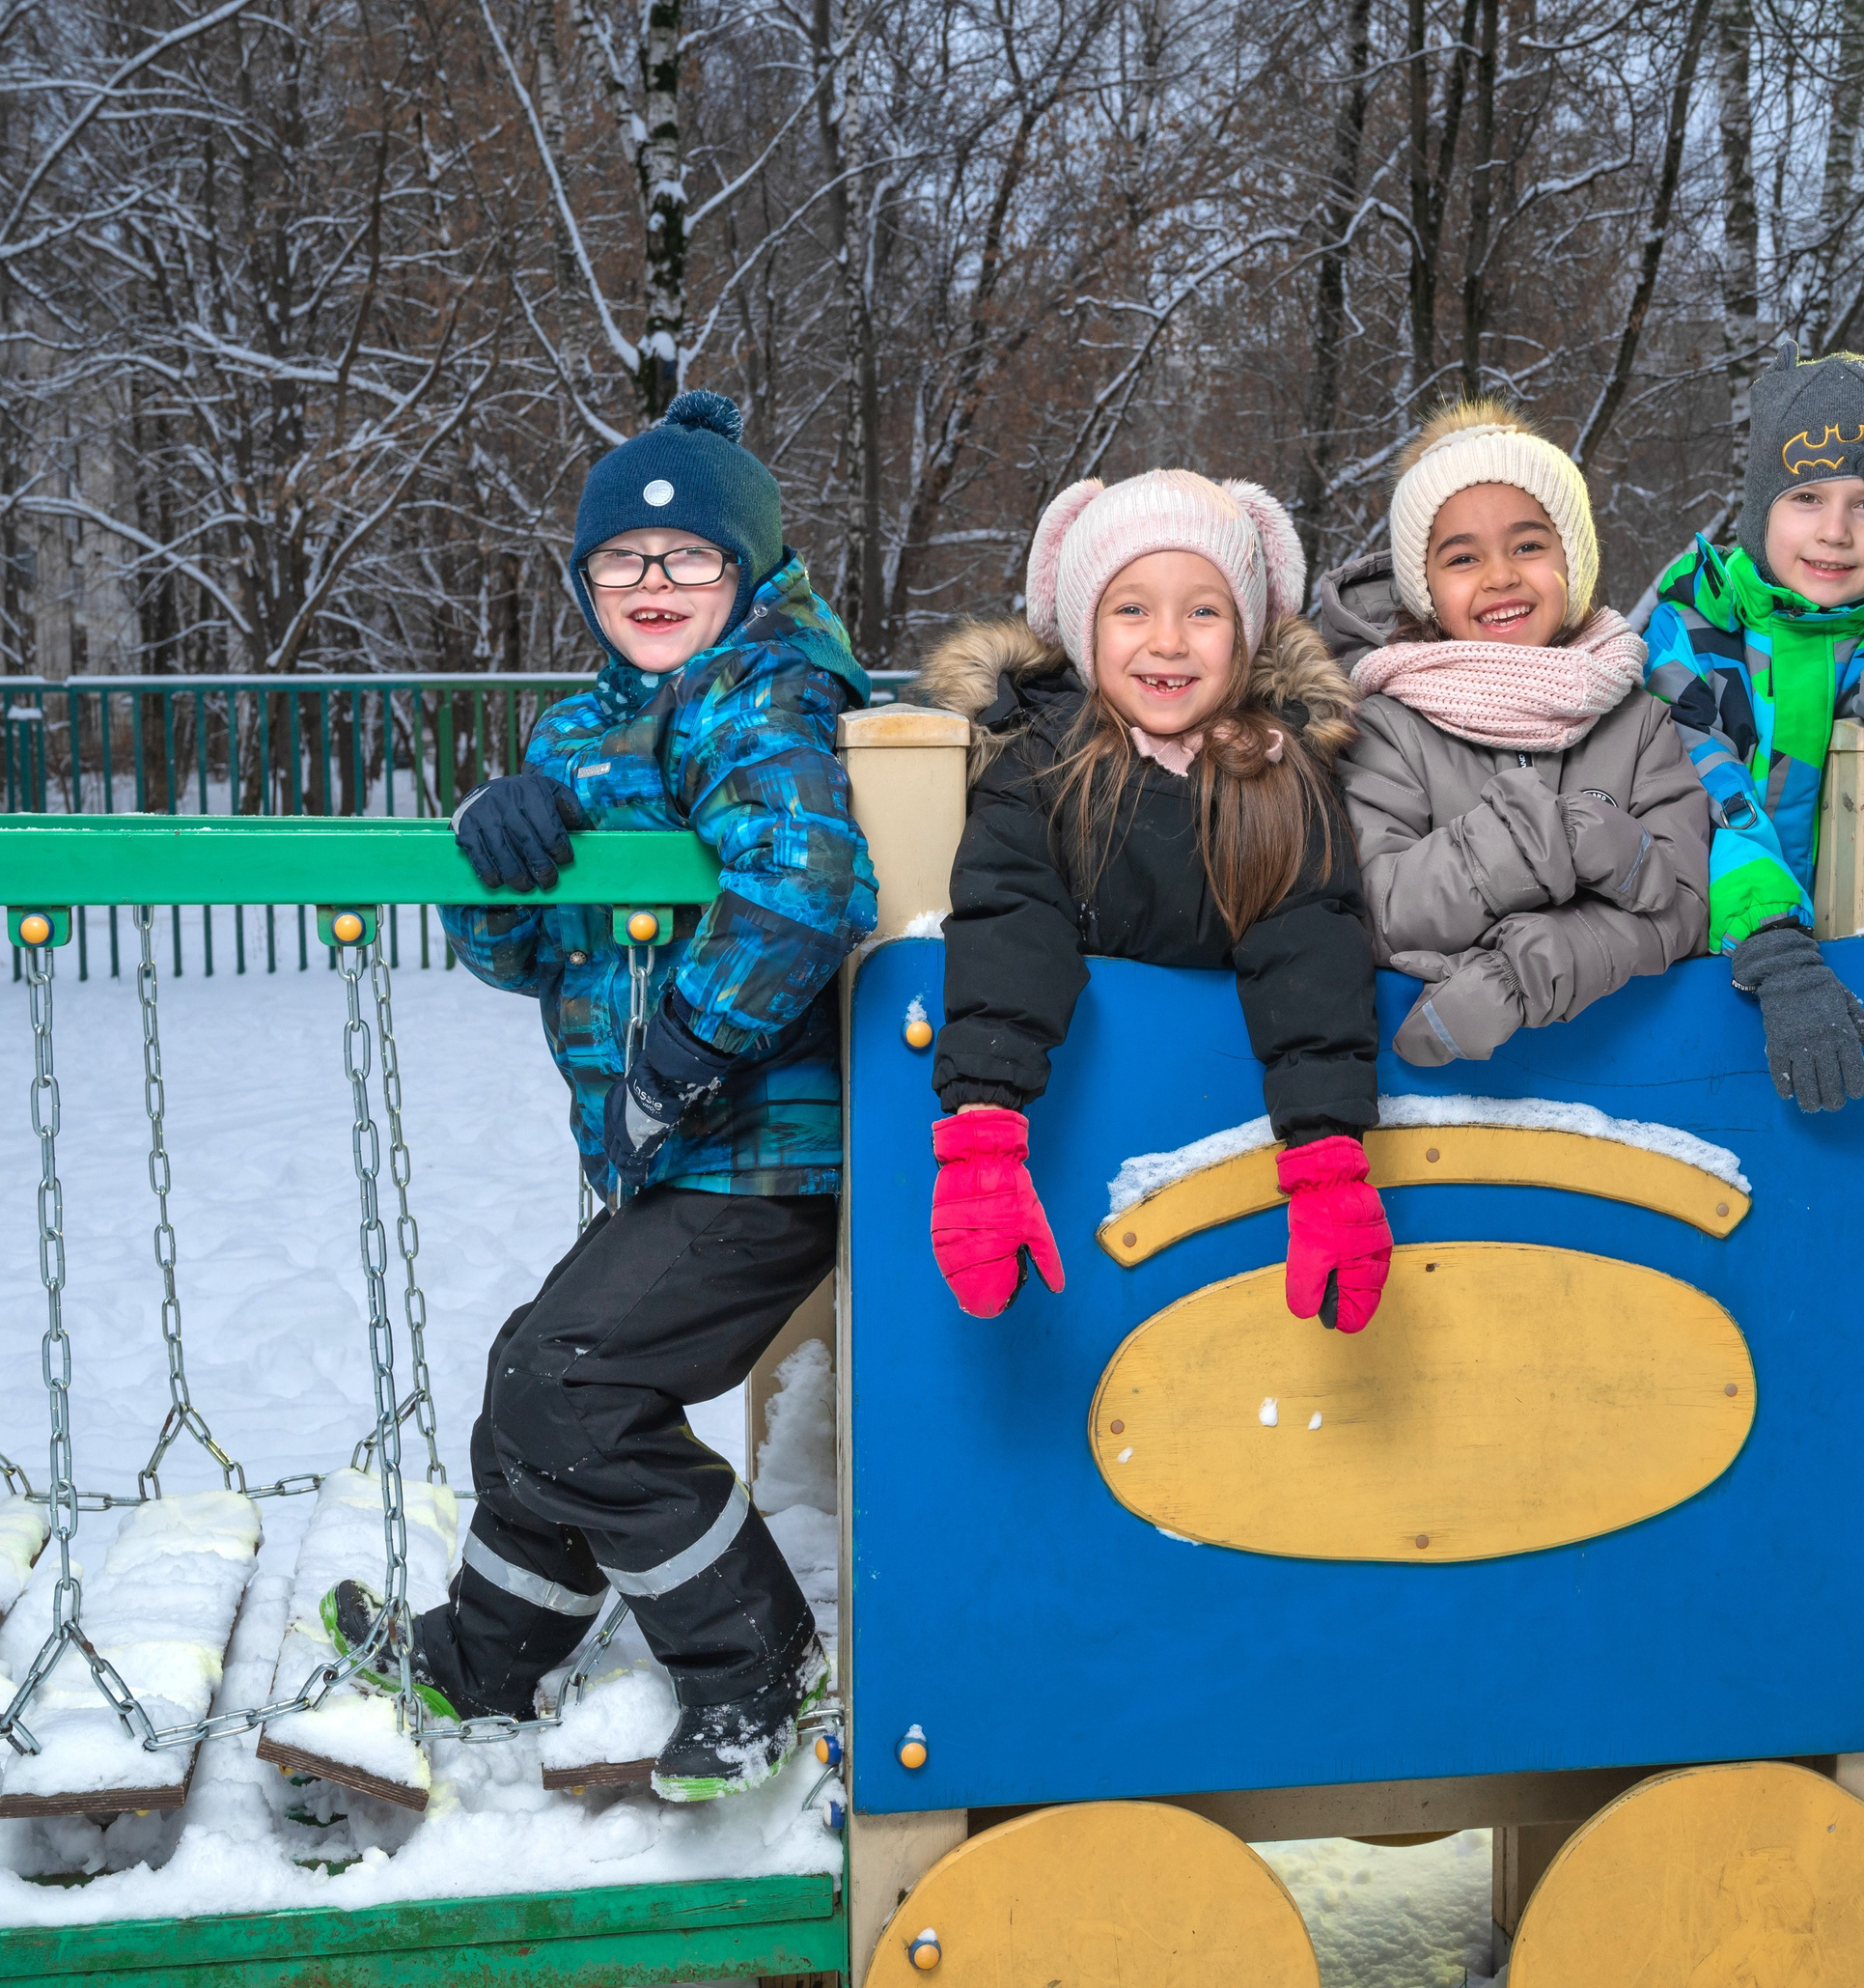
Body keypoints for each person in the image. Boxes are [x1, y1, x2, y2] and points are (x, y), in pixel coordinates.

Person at [320, 390, 876, 1802]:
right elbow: (525, 954)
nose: (652, 585)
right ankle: (491, 1655)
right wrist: (496, 853)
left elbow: (804, 885)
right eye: (619, 563)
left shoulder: (766, 697)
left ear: (746, 573)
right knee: (534, 1387)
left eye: (688, 559)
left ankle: (755, 1656)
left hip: (769, 1154)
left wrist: (679, 1056)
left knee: (568, 1386)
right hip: (677, 1158)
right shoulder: (582, 730)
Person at [917, 469, 1393, 1334]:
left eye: (1204, 611)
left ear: (1247, 638)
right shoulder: (1043, 769)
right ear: (1083, 627)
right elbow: (1008, 927)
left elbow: (1312, 956)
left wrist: (1329, 1164)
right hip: (1083, 1163)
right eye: (1131, 609)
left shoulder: (1286, 780)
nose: (1167, 641)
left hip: (1217, 1162)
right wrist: (983, 1132)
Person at [1644, 338, 1864, 1111]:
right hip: (1705, 959)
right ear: (1760, 508)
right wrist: (1773, 942)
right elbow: (1708, 786)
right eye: (1805, 497)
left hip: (1847, 977)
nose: (1835, 531)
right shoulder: (1697, 621)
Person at [1317, 400, 1710, 1067]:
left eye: (1528, 546)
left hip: (1623, 1085)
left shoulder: (1638, 722)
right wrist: (1538, 841)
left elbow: (1683, 906)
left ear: (1573, 561)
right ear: (1427, 592)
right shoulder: (1387, 726)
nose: (1501, 575)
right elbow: (1376, 910)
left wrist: (1531, 970)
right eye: (1463, 558)